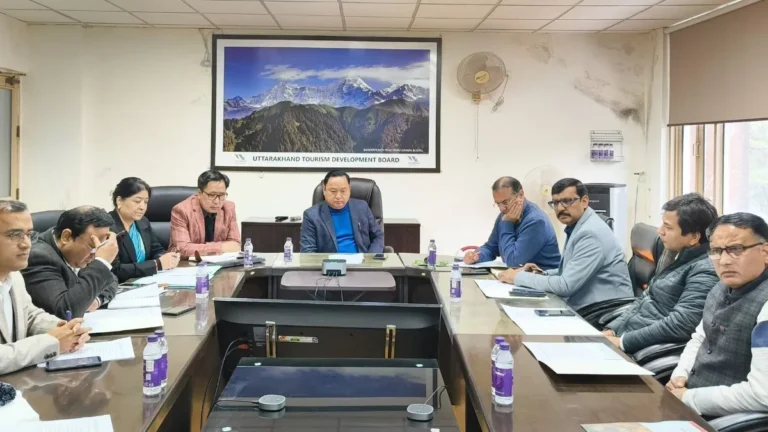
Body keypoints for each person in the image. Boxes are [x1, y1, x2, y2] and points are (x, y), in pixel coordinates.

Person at [667, 212, 768, 417]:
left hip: (726, 419)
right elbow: (701, 336)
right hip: (689, 399)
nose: (724, 261)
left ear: (765, 252)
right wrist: (681, 373)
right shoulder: (720, 287)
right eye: (716, 251)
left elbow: (762, 394)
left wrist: (688, 398)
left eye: (736, 249)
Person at [603, 193, 719, 353]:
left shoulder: (705, 271)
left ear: (694, 237)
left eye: (668, 227)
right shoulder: (675, 256)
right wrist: (612, 330)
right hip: (627, 338)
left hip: (644, 351)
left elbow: (680, 325)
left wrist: (623, 342)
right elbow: (644, 299)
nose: (660, 231)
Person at [498, 178, 633, 311]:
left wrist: (517, 277)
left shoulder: (591, 234)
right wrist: (540, 273)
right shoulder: (579, 226)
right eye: (555, 203)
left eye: (567, 201)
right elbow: (569, 271)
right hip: (588, 306)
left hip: (603, 313)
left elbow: (565, 286)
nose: (560, 208)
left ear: (584, 201)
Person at [0, 200, 91, 375]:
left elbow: (29, 315)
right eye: (14, 235)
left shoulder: (14, 276)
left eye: (28, 234)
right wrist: (52, 342)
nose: (26, 244)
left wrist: (63, 329)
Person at [21, 206, 119, 319]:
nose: (95, 254)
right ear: (66, 237)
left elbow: (112, 279)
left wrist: (97, 299)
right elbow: (64, 312)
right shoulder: (39, 258)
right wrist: (102, 262)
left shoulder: (80, 254)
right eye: (93, 247)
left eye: (100, 248)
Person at [463, 176, 560, 269]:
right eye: (498, 204)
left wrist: (507, 223)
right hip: (520, 275)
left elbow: (513, 261)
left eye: (505, 202)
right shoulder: (505, 215)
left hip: (543, 276)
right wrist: (476, 256)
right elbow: (491, 248)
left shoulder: (536, 221)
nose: (502, 208)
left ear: (520, 195)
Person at [109, 177, 180, 282]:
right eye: (137, 201)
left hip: (145, 281)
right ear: (119, 201)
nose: (142, 207)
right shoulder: (107, 227)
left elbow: (156, 249)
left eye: (146, 202)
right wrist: (157, 264)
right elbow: (115, 270)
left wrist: (167, 257)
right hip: (119, 286)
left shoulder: (143, 222)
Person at [300, 170, 384, 253]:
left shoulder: (362, 207)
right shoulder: (311, 215)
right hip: (330, 261)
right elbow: (307, 251)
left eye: (343, 191)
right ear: (324, 190)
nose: (338, 196)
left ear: (349, 189)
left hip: (361, 260)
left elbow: (378, 236)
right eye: (333, 191)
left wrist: (371, 258)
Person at [169, 170, 241, 258]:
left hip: (219, 262)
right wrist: (221, 247)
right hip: (186, 263)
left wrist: (198, 248)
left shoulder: (229, 208)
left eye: (221, 195)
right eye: (212, 195)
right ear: (199, 193)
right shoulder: (181, 210)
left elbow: (235, 244)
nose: (217, 201)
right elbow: (183, 249)